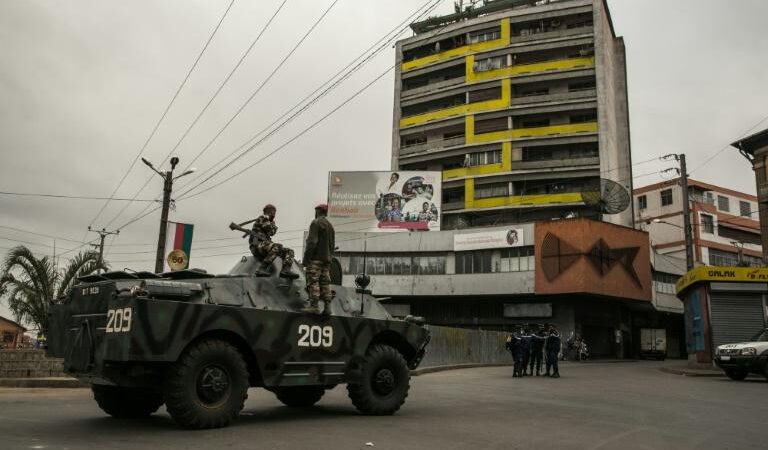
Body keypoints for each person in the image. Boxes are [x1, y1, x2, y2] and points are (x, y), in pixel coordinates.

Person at [230, 204, 298, 279]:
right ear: (266, 211)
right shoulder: (263, 218)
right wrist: (271, 223)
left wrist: (272, 223)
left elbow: (272, 232)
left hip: (265, 246)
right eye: (272, 211)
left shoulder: (269, 221)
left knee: (289, 251)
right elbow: (270, 231)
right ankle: (262, 268)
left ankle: (285, 270)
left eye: (274, 211)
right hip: (257, 246)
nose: (273, 213)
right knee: (278, 247)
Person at [302, 204, 336, 315]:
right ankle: (327, 308)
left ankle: (314, 306)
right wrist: (329, 259)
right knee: (325, 283)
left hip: (316, 259)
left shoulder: (316, 223)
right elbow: (332, 246)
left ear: (318, 211)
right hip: (326, 260)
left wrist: (307, 259)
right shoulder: (330, 226)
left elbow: (312, 242)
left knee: (313, 281)